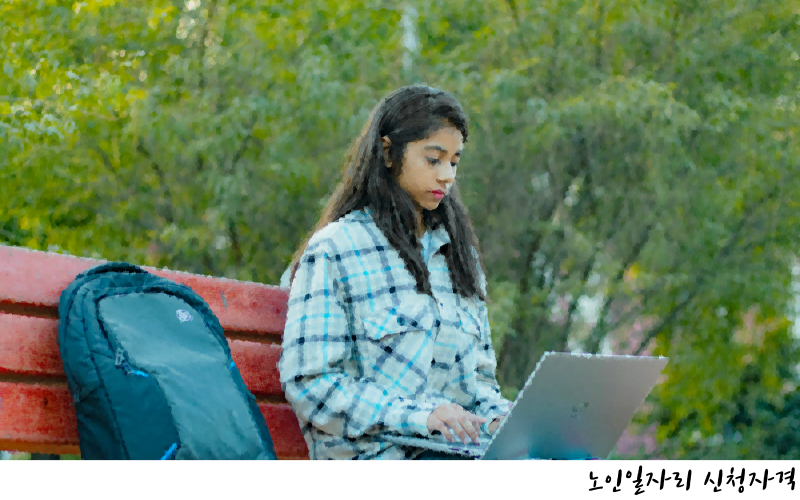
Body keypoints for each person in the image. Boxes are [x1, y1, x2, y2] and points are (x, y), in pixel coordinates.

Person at [278, 85, 511, 460]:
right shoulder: (336, 249)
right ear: (388, 152)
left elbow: (478, 385)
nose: (447, 176)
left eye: (454, 162)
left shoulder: (458, 258)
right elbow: (312, 384)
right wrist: (421, 417)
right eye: (433, 160)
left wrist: (500, 421)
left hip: (453, 456)